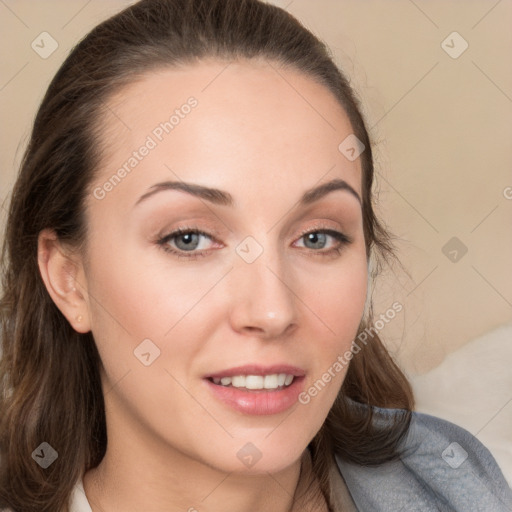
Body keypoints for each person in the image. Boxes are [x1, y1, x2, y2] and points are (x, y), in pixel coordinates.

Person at [0, 0, 510, 511]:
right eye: (189, 239)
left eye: (317, 238)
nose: (272, 311)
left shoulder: (453, 484)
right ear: (69, 278)